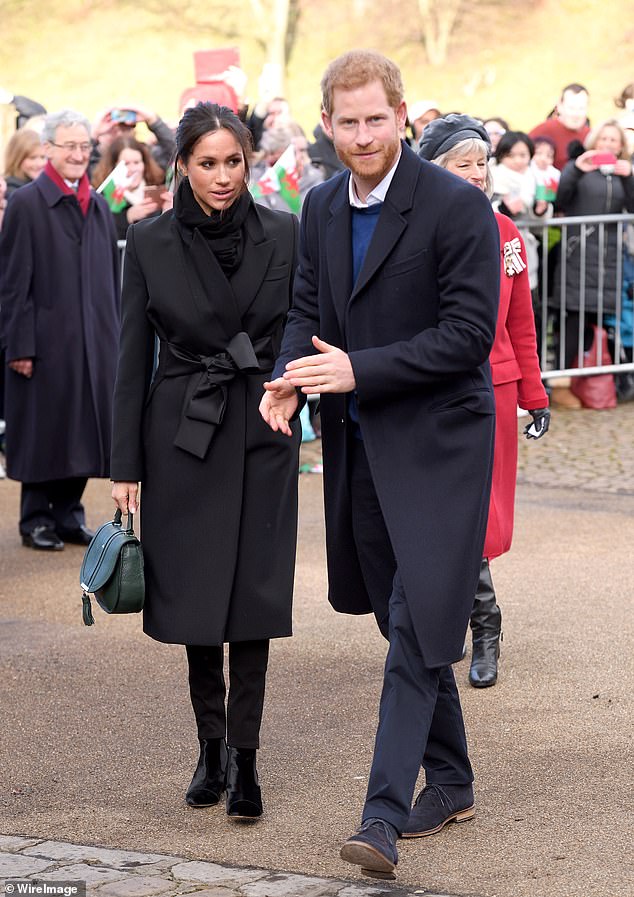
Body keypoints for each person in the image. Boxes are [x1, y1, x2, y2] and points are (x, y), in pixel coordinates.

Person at [260, 50, 500, 879]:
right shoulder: (320, 205)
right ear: (326, 125)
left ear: (405, 116)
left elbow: (469, 337)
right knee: (401, 614)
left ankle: (383, 818)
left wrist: (360, 368)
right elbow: (304, 310)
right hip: (360, 445)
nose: (363, 135)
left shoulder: (456, 207)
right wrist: (290, 381)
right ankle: (456, 779)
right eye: (347, 121)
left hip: (441, 444)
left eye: (376, 118)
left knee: (410, 626)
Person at [109, 102, 300, 820]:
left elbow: (303, 331)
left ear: (249, 162)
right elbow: (132, 360)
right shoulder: (148, 240)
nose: (223, 176)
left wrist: (293, 395)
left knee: (251, 597)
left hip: (261, 422)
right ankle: (209, 748)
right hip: (183, 433)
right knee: (195, 599)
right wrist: (124, 464)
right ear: (182, 166)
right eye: (208, 162)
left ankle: (247, 761)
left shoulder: (286, 231)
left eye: (235, 161)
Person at [419, 114, 550, 688]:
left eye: (481, 163)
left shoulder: (506, 235)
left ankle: (485, 626)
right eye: (460, 164)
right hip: (423, 387)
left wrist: (534, 392)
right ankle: (431, 626)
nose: (474, 174)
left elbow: (520, 322)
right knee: (428, 511)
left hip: (489, 388)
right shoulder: (415, 233)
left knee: (477, 510)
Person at [0, 109, 120, 550]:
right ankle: (35, 519)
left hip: (94, 340)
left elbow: (111, 275)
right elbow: (14, 283)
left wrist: (114, 337)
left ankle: (69, 515)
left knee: (84, 430)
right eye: (68, 145)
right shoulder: (28, 203)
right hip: (45, 341)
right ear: (47, 149)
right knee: (42, 431)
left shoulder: (99, 205)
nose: (78, 154)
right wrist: (20, 345)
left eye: (84, 146)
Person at [553, 118, 634, 406]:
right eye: (604, 139)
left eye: (614, 140)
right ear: (595, 141)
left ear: (621, 146)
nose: (608, 144)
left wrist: (629, 176)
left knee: (602, 319)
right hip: (580, 254)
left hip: (609, 257)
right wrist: (576, 168)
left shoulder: (624, 173)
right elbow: (561, 199)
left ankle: (604, 381)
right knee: (575, 316)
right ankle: (556, 382)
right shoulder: (580, 168)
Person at [91, 135, 171, 240]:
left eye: (137, 162)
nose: (133, 169)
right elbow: (98, 232)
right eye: (126, 163)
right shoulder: (104, 196)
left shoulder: (156, 191)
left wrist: (168, 213)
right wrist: (127, 217)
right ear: (113, 166)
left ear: (144, 164)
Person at [529, 83, 590, 171]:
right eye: (571, 108)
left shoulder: (591, 136)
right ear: (560, 107)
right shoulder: (543, 130)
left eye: (581, 108)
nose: (576, 114)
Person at [3, 128, 46, 198]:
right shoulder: (11, 191)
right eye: (32, 158)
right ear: (17, 158)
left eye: (43, 157)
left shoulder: (42, 184)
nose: (40, 164)